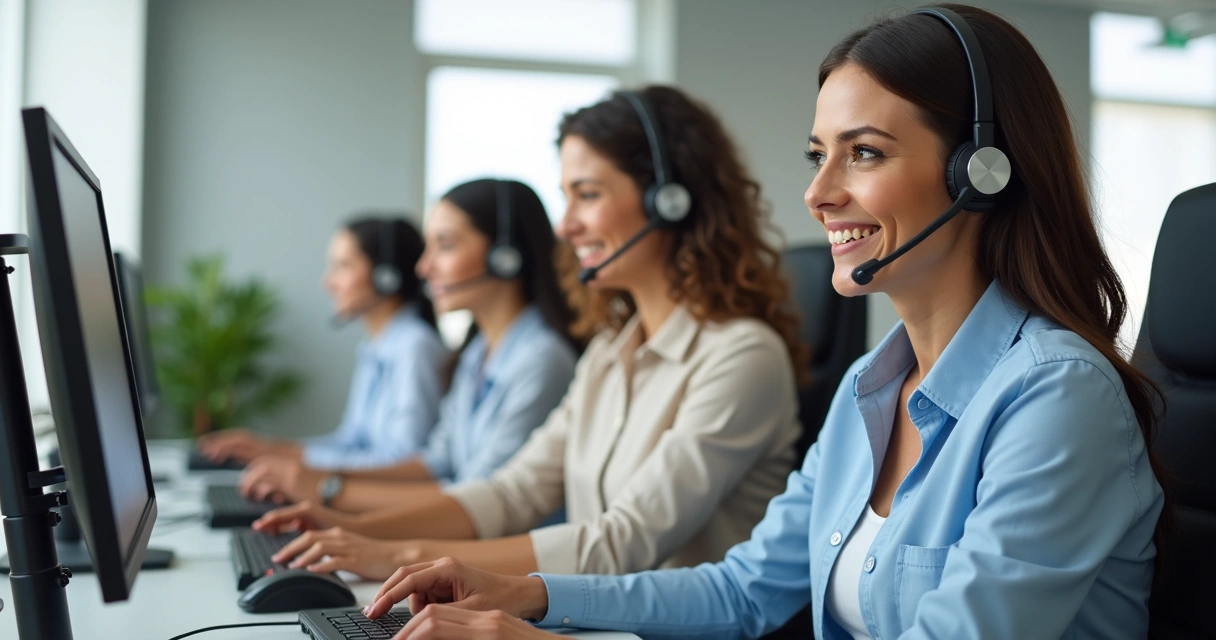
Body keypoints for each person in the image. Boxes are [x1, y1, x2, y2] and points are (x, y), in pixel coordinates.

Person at [361, 5, 1169, 639]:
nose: (818, 194)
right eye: (818, 154)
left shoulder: (1058, 398)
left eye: (865, 153)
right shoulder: (869, 388)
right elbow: (744, 587)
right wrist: (526, 595)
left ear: (981, 174)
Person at [252, 85, 807, 583]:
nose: (565, 226)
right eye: (566, 197)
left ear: (671, 198)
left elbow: (623, 541)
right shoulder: (611, 354)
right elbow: (511, 492)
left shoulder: (741, 356)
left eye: (587, 195)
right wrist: (352, 525)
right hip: (594, 616)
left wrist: (397, 553)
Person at [237, 179, 582, 511]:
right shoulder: (477, 353)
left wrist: (329, 491)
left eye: (444, 246)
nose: (424, 267)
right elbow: (436, 461)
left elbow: (483, 497)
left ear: (506, 254)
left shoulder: (542, 358)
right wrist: (313, 478)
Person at [197, 217, 447, 470]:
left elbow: (401, 461)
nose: (328, 282)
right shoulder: (376, 346)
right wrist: (267, 449)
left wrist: (284, 459)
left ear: (386, 276)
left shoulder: (415, 346)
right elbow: (351, 441)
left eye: (342, 266)